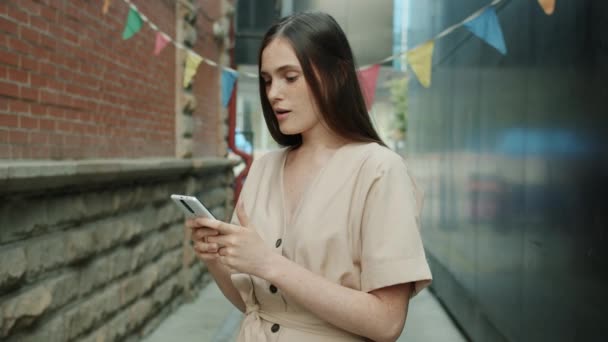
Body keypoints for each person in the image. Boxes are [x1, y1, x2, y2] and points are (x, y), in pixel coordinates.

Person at [186, 11, 432, 342]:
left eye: (290, 77)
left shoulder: (380, 170)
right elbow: (253, 305)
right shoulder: (262, 168)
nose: (273, 93)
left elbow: (386, 322)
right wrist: (216, 259)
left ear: (338, 74)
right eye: (268, 80)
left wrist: (269, 263)